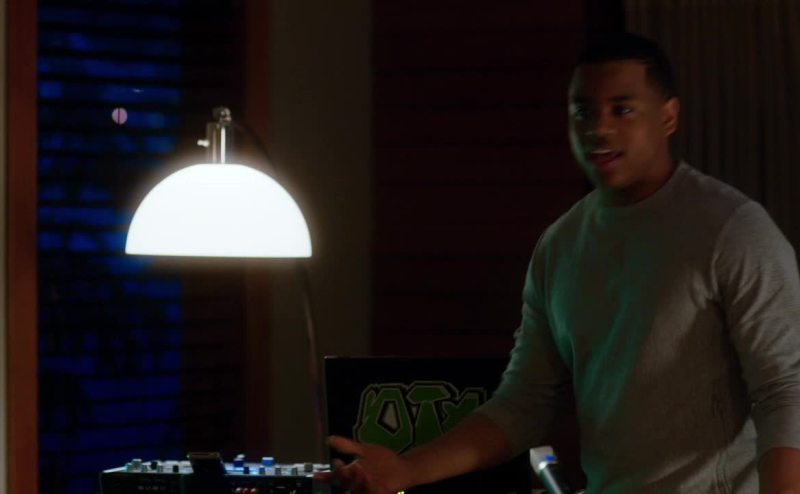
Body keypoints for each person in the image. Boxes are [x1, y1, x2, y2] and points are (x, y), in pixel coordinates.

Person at [316, 32, 800, 493]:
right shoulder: (561, 245)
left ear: (668, 116)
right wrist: (408, 468)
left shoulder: (733, 229)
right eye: (583, 111)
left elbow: (785, 389)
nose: (599, 128)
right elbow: (524, 403)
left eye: (622, 109)